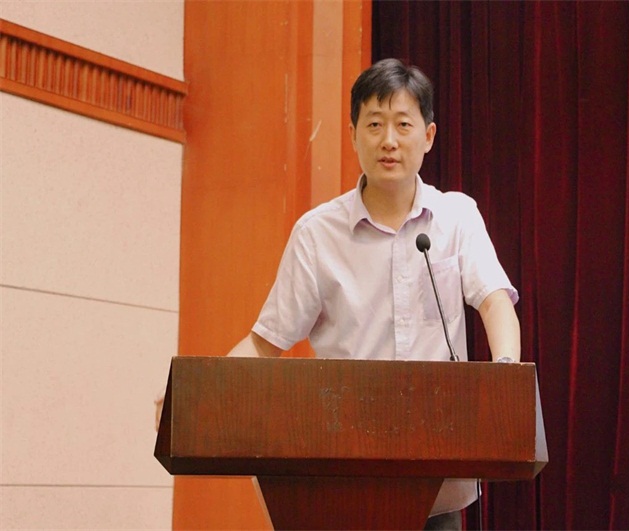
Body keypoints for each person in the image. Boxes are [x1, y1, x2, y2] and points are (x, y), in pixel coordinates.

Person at [157, 58, 521, 530]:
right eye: (374, 124)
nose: (388, 140)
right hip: (340, 478)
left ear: (428, 136)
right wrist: (197, 398)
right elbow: (265, 343)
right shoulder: (317, 233)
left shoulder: (456, 218)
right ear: (353, 135)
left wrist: (505, 376)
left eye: (403, 124)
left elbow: (494, 299)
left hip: (435, 485)